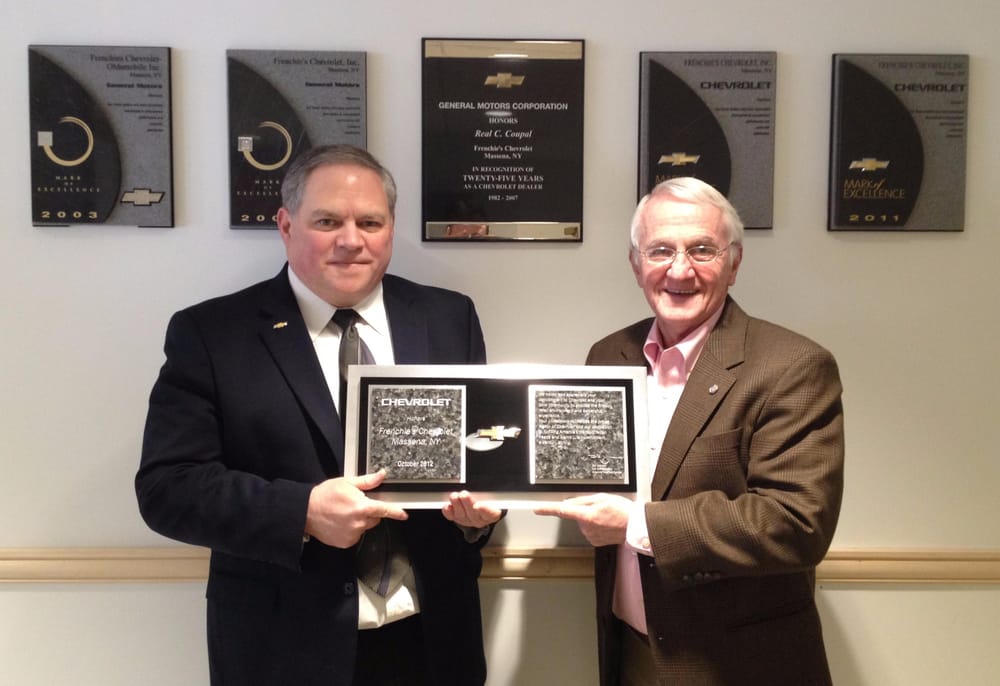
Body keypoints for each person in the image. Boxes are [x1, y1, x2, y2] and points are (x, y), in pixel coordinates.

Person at [136, 144, 501, 686]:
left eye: (370, 222)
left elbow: (481, 456)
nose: (351, 240)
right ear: (286, 226)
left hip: (434, 643)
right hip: (283, 649)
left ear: (390, 228)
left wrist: (481, 519)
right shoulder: (212, 334)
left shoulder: (449, 317)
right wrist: (301, 512)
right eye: (327, 221)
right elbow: (167, 488)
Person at [537, 178, 844, 686]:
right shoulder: (609, 356)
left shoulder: (793, 366)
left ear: (734, 263)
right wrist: (489, 498)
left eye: (702, 249)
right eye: (660, 250)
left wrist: (636, 525)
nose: (680, 270)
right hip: (631, 651)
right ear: (636, 264)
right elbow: (581, 473)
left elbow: (796, 523)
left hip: (740, 666)